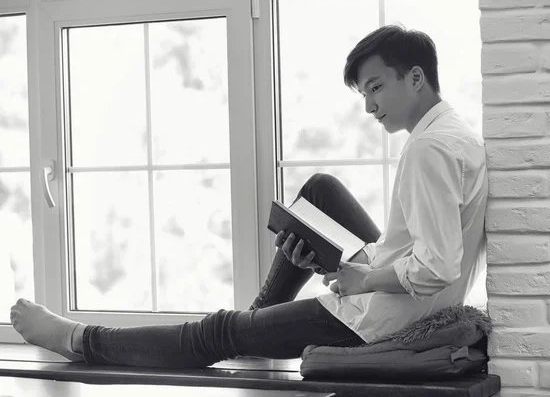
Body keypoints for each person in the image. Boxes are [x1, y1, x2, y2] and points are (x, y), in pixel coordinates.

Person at [10, 24, 488, 368]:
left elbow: (436, 267)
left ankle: (78, 339)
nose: (369, 107)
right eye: (364, 94)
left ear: (417, 77)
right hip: (409, 290)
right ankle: (262, 318)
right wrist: (358, 265)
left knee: (217, 332)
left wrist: (362, 281)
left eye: (377, 88)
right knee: (320, 192)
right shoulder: (454, 133)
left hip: (380, 318)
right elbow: (436, 256)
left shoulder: (427, 149)